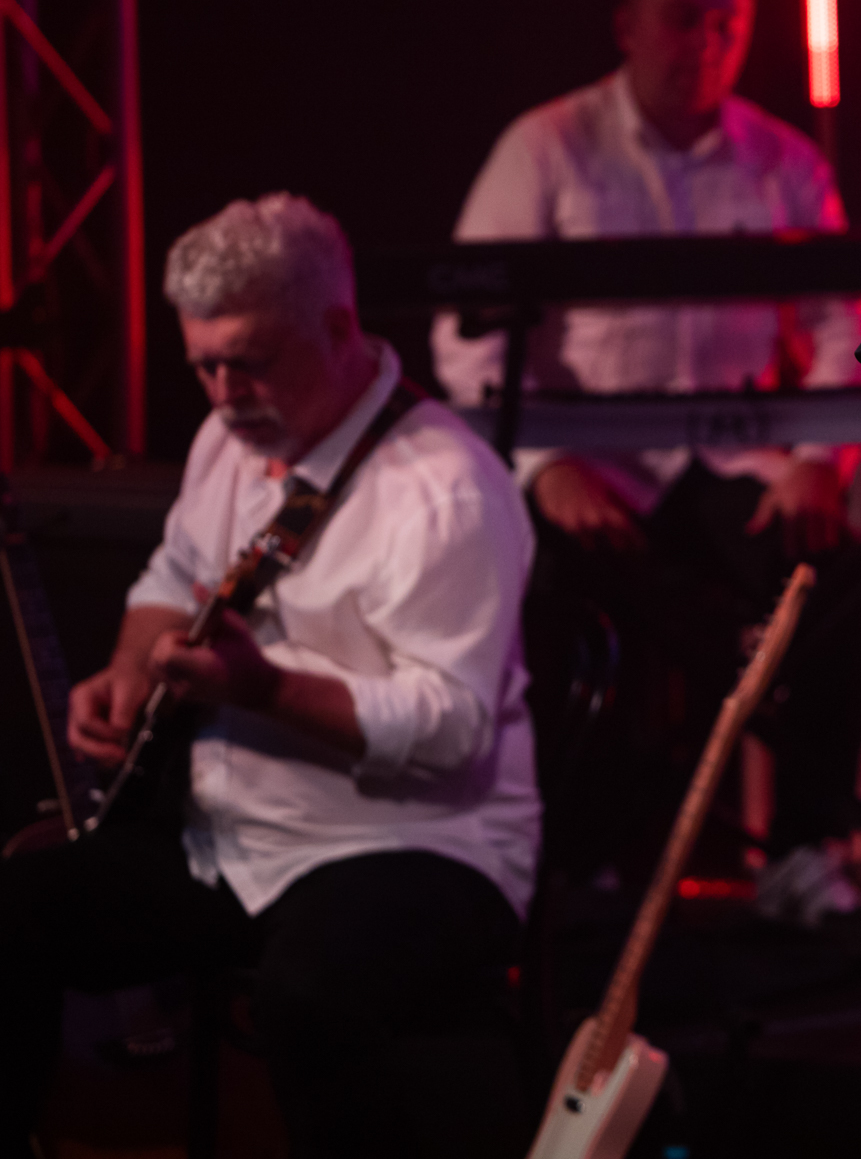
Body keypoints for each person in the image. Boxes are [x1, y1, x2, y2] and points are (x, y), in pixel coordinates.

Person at [0, 195, 539, 1159]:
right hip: (235, 838)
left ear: (337, 328)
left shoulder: (445, 488)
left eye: (248, 361)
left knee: (310, 993)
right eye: (203, 365)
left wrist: (265, 690)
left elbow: (453, 728)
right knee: (15, 909)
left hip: (417, 846)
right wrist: (127, 673)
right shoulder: (228, 440)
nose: (222, 393)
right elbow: (170, 576)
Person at [430, 0, 861, 911]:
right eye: (683, 19)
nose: (705, 44)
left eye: (727, 26)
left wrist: (818, 457)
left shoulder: (785, 162)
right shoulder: (545, 148)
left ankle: (806, 849)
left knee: (834, 582)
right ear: (627, 25)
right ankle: (576, 864)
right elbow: (468, 336)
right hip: (596, 466)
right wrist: (545, 465)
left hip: (735, 466)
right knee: (548, 589)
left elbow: (845, 325)